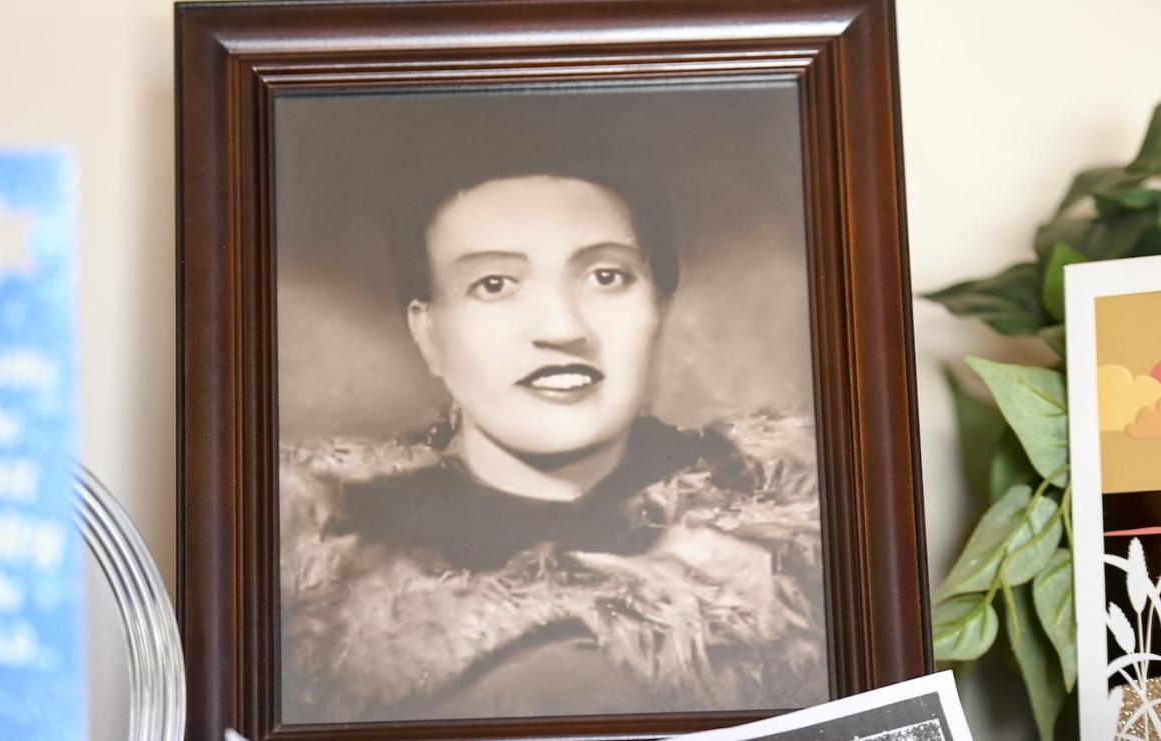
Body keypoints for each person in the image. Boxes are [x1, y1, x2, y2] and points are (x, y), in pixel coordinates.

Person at [279, 173, 827, 724]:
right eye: (494, 284)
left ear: (660, 307)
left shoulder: (799, 550)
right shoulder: (317, 581)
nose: (562, 327)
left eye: (607, 275)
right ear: (428, 334)